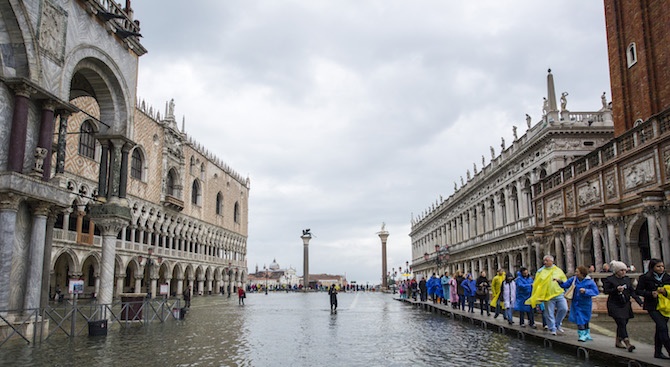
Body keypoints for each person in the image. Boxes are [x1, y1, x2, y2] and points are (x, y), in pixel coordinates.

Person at [603, 260, 643, 351]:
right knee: (621, 321)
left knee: (623, 322)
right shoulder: (609, 279)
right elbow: (606, 291)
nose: (624, 272)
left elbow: (632, 292)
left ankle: (618, 341)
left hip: (625, 303)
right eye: (621, 270)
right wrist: (616, 289)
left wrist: (639, 302)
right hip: (614, 304)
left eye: (625, 270)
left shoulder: (627, 279)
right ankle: (627, 343)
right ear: (616, 271)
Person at [636, 258, 670, 359]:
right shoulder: (645, 278)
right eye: (658, 266)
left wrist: (666, 292)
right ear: (652, 267)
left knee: (660, 329)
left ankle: (658, 352)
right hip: (653, 306)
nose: (661, 268)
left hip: (665, 306)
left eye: (662, 266)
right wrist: (650, 293)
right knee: (663, 327)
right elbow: (638, 291)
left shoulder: (667, 277)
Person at [527, 255, 568, 336]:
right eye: (544, 260)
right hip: (547, 296)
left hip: (559, 293)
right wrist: (538, 295)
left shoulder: (558, 270)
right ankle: (552, 328)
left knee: (564, 309)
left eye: (547, 260)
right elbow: (537, 284)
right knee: (549, 312)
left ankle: (558, 324)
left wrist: (565, 289)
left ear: (552, 261)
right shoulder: (540, 271)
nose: (545, 262)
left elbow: (564, 281)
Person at [559, 265, 599, 342]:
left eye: (577, 272)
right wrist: (560, 282)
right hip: (576, 303)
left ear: (582, 273)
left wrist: (586, 291)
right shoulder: (573, 279)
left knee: (586, 318)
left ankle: (587, 334)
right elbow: (565, 285)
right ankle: (581, 334)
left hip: (586, 303)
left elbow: (595, 292)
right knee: (579, 318)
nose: (576, 273)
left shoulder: (590, 281)